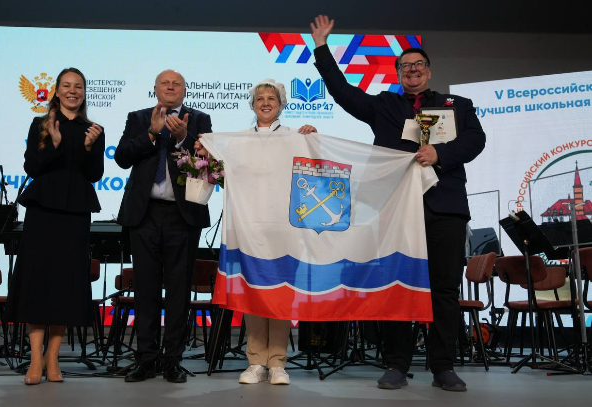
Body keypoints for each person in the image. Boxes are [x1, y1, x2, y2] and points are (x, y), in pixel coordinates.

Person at [310, 15, 485, 392]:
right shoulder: (384, 106)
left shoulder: (458, 105)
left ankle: (443, 367)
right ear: (398, 73)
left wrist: (440, 154)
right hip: (394, 209)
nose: (412, 70)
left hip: (445, 208)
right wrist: (322, 48)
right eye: (405, 66)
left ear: (428, 71)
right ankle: (396, 364)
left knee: (444, 289)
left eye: (418, 64)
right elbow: (342, 92)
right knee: (396, 285)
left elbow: (476, 140)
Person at [195, 79, 317, 385]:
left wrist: (314, 141)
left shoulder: (295, 138)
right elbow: (213, 165)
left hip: (284, 230)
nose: (265, 103)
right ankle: (256, 362)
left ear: (281, 105)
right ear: (252, 105)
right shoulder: (238, 140)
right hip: (248, 229)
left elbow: (315, 171)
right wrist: (204, 149)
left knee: (280, 296)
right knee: (252, 293)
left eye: (271, 99)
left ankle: (277, 363)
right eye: (260, 98)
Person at [5, 67, 105, 385]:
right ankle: (35, 358)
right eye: (67, 85)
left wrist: (88, 148)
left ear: (84, 93)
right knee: (38, 281)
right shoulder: (41, 125)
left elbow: (95, 175)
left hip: (75, 214)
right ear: (57, 91)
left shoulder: (94, 130)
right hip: (43, 211)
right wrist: (55, 143)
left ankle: (53, 357)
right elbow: (32, 167)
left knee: (66, 283)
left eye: (78, 86)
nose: (73, 90)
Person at [114, 69, 211, 383]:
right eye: (165, 83)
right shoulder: (139, 117)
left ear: (185, 90)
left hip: (183, 216)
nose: (170, 87)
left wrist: (183, 138)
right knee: (145, 290)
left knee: (179, 291)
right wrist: (151, 134)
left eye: (176, 83)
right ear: (155, 89)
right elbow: (122, 158)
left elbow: (210, 163)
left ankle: (172, 361)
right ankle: (146, 359)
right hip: (144, 214)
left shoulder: (199, 120)